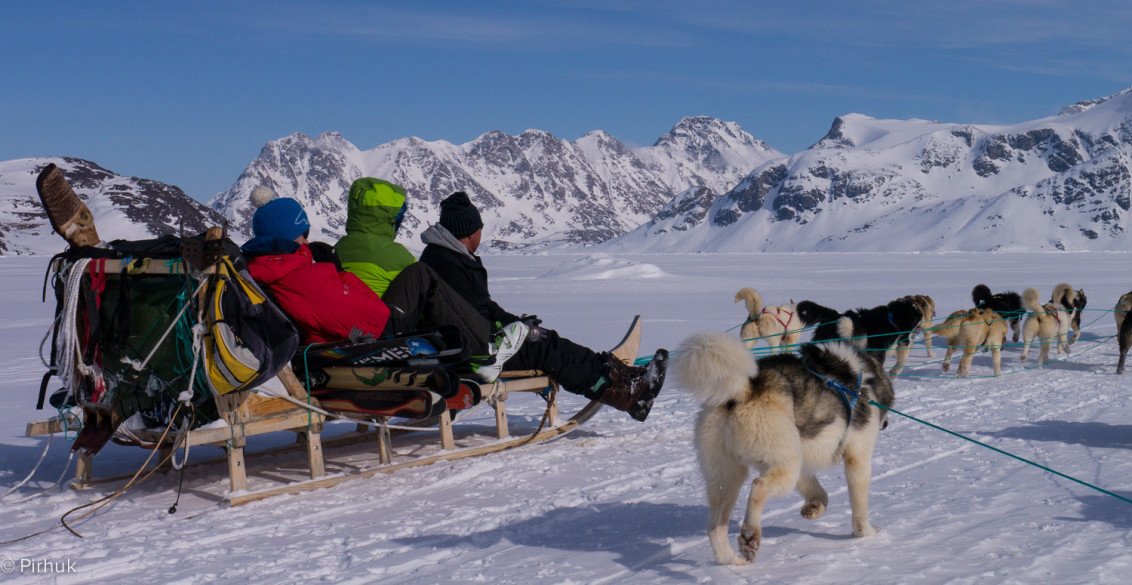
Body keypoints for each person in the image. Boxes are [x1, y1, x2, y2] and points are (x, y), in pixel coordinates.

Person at [417, 191, 668, 422]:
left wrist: (516, 324)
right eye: (479, 229)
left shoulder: (450, 257)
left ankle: (626, 379)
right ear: (470, 232)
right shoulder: (447, 264)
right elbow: (471, 317)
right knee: (548, 351)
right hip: (479, 353)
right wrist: (511, 330)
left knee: (547, 339)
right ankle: (625, 395)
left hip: (478, 343)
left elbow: (482, 308)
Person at [241, 187, 521, 381]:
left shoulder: (270, 269)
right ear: (291, 235)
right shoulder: (297, 274)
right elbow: (350, 313)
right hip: (367, 339)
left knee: (422, 282)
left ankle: (480, 344)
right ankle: (485, 350)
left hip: (346, 339)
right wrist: (339, 275)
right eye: (304, 233)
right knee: (420, 276)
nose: (307, 239)